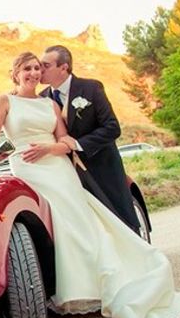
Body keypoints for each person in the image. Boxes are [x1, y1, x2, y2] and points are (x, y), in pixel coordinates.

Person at [0, 52, 180, 318]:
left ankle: (94, 286)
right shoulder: (4, 101)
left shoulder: (49, 103)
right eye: (27, 68)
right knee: (54, 220)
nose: (33, 73)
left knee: (76, 220)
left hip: (58, 167)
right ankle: (71, 287)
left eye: (36, 68)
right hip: (28, 169)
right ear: (15, 72)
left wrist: (50, 148)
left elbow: (64, 139)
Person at [39, 45, 142, 233]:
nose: (40, 70)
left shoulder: (91, 88)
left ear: (64, 67)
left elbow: (112, 127)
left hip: (102, 166)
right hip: (67, 173)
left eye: (46, 65)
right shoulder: (41, 99)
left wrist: (78, 144)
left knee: (119, 217)